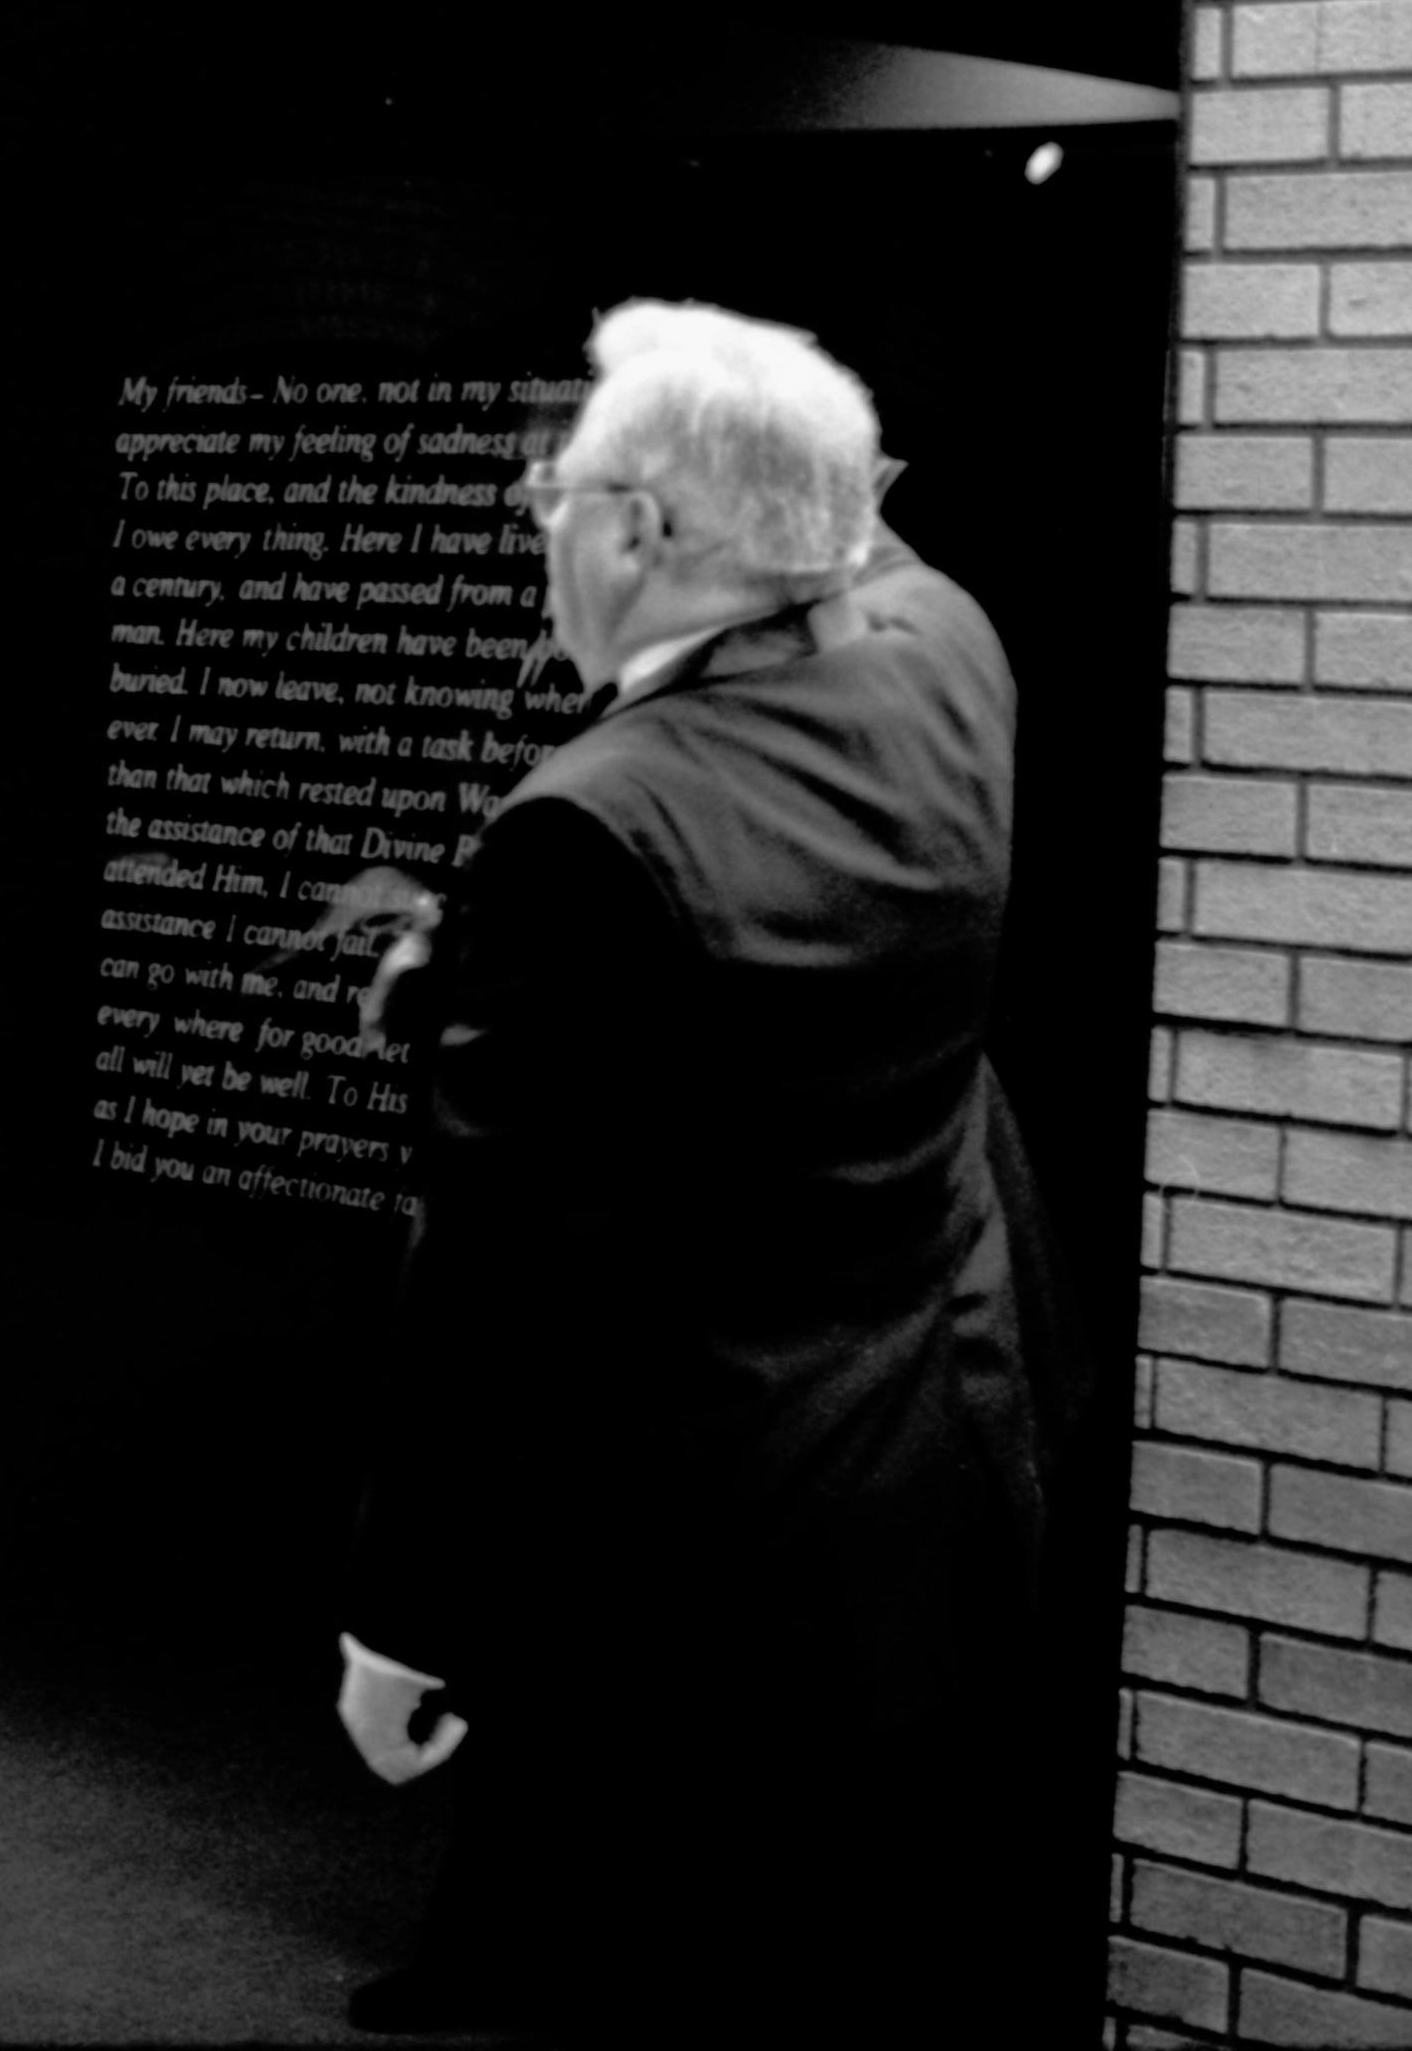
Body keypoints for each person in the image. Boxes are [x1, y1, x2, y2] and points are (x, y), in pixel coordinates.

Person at [335, 302, 1068, 2047]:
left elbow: (498, 1280)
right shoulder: (947, 650)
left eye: (556, 487)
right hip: (925, 1426)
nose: (537, 515)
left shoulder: (592, 821)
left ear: (645, 529)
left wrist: (402, 1622)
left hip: (685, 1527)